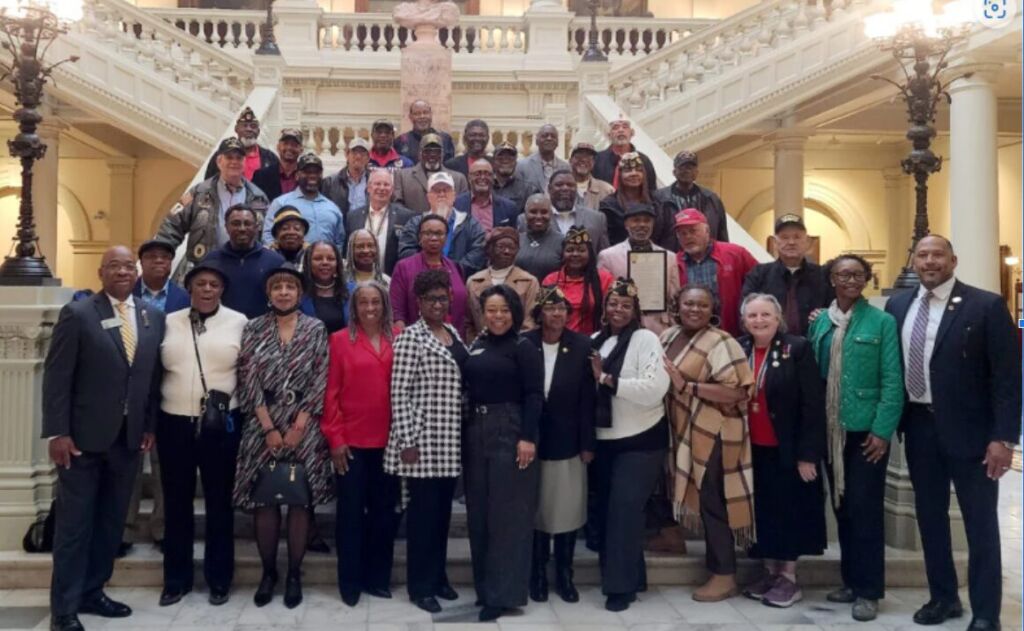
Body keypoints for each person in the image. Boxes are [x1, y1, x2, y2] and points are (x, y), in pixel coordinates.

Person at [885, 235, 1021, 631]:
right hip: (919, 428)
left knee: (980, 525)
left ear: (953, 260)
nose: (930, 261)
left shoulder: (986, 305)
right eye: (923, 255)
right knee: (930, 519)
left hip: (974, 436)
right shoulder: (898, 305)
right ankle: (943, 598)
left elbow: (1008, 379)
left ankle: (985, 612)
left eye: (938, 255)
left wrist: (1004, 439)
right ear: (913, 260)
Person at [43, 246, 166, 631]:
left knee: (111, 523)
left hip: (127, 441)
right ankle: (64, 608)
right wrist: (58, 432)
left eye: (129, 266)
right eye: (115, 265)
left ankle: (93, 591)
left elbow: (148, 380)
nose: (123, 271)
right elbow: (57, 377)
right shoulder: (78, 314)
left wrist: (147, 425)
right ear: (101, 272)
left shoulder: (152, 317)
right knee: (74, 527)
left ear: (138, 272)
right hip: (81, 440)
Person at [807, 254, 903, 622]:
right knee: (843, 508)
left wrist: (882, 430)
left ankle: (869, 590)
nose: (849, 279)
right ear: (831, 278)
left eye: (857, 274)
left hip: (866, 432)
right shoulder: (821, 323)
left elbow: (892, 380)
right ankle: (850, 580)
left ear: (867, 279)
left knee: (865, 511)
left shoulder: (882, 321)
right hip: (831, 433)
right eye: (842, 274)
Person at [233, 265, 334, 610]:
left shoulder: (315, 329)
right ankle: (268, 572)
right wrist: (269, 427)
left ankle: (294, 572)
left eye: (291, 286)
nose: (284, 292)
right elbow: (246, 377)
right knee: (265, 500)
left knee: (299, 500)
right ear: (268, 293)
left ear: (300, 293)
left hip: (303, 428)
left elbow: (321, 377)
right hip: (262, 426)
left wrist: (299, 426)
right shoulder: (253, 328)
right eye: (277, 287)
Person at [156, 261, 247, 608]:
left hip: (221, 425)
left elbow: (248, 372)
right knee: (177, 504)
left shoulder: (239, 322)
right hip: (174, 422)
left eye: (213, 285)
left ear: (222, 290)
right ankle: (176, 580)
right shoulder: (169, 321)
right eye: (200, 284)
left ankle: (219, 578)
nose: (207, 290)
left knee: (219, 504)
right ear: (189, 288)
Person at [662, 285, 754, 603]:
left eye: (702, 304)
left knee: (714, 502)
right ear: (678, 305)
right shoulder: (670, 336)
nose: (695, 309)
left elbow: (738, 392)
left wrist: (688, 386)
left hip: (714, 430)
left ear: (712, 308)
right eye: (689, 303)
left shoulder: (722, 340)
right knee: (703, 501)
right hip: (684, 429)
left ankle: (725, 574)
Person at [736, 293, 826, 608]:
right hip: (750, 450)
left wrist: (808, 455)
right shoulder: (740, 348)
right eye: (752, 316)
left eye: (765, 315)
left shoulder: (796, 348)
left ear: (778, 319)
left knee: (789, 511)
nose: (759, 321)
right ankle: (769, 572)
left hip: (787, 449)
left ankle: (789, 577)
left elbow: (813, 405)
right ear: (744, 320)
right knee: (763, 512)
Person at [385, 269, 466, 613]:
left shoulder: (452, 333)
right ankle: (421, 586)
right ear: (418, 303)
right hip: (422, 443)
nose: (438, 303)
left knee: (442, 517)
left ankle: (438, 577)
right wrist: (406, 439)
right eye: (431, 298)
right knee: (422, 519)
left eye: (443, 297)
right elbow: (398, 392)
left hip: (450, 442)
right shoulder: (410, 338)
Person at [462, 285, 544, 621]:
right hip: (475, 431)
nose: (497, 316)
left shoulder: (523, 348)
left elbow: (536, 395)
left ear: (515, 312)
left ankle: (504, 594)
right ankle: (485, 588)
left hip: (510, 429)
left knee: (507, 515)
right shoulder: (478, 345)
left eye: (504, 310)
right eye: (491, 310)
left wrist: (527, 437)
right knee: (479, 512)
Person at [589, 277, 670, 612]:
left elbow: (654, 388)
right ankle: (631, 575)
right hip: (604, 439)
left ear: (636, 310)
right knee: (610, 513)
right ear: (604, 308)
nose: (618, 310)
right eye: (613, 304)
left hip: (641, 438)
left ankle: (619, 589)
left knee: (624, 511)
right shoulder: (596, 340)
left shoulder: (646, 339)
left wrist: (607, 379)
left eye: (625, 305)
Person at [322, 281, 402, 607]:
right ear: (353, 308)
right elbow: (330, 395)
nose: (369, 308)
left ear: (384, 305)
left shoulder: (399, 339)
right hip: (351, 444)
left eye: (375, 302)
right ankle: (350, 580)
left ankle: (378, 578)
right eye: (363, 303)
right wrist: (336, 440)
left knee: (384, 514)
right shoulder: (340, 341)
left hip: (390, 443)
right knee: (351, 515)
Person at [523, 286, 595, 605]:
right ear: (540, 313)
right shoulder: (525, 343)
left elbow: (587, 401)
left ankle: (565, 573)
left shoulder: (581, 346)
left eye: (562, 310)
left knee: (566, 510)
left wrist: (587, 443)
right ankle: (537, 573)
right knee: (538, 511)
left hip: (569, 441)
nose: (557, 315)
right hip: (533, 440)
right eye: (551, 309)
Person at [157, 137, 270, 282]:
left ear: (244, 162)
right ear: (219, 161)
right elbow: (171, 225)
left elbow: (267, 235)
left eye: (239, 158)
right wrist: (159, 256)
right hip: (205, 269)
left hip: (245, 270)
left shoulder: (258, 197)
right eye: (229, 157)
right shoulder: (198, 193)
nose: (234, 162)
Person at [597, 202, 680, 335]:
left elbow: (674, 298)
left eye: (647, 221)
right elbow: (604, 298)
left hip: (660, 328)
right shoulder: (608, 256)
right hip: (622, 328)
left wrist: (673, 329)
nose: (642, 225)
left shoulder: (670, 257)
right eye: (636, 220)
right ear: (626, 224)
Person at [741, 214, 830, 336]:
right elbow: (745, 311)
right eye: (784, 237)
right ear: (775, 242)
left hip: (813, 347)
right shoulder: (759, 274)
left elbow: (835, 312)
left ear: (807, 242)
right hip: (770, 346)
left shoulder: (823, 275)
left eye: (797, 237)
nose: (791, 242)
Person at [674, 208, 757, 337]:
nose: (688, 237)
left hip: (733, 332)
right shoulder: (674, 263)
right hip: (692, 336)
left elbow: (761, 283)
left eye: (693, 231)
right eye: (682, 233)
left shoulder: (736, 254)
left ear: (707, 231)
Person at [202, 204, 286, 319]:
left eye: (247, 223)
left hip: (264, 332)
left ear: (256, 227)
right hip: (222, 330)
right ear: (226, 227)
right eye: (236, 224)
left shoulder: (275, 262)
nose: (242, 228)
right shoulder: (211, 261)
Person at [391, 214, 469, 334]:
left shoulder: (456, 268)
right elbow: (397, 312)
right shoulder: (404, 267)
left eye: (439, 233)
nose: (433, 238)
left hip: (454, 339)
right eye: (427, 233)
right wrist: (404, 339)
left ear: (446, 238)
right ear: (419, 237)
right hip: (417, 342)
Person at [398, 171, 487, 278]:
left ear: (454, 196)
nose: (441, 194)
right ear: (428, 197)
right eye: (436, 191)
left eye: (446, 190)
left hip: (459, 282)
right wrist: (429, 270)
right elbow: (406, 252)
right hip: (422, 283)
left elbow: (479, 252)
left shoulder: (470, 223)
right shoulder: (415, 223)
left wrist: (453, 272)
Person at [465, 227, 540, 341]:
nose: (507, 251)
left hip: (516, 348)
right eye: (501, 247)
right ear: (490, 249)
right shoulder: (474, 281)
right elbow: (469, 323)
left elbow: (529, 323)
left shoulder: (529, 281)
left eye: (512, 248)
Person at [263, 153, 346, 251]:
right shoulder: (281, 203)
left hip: (324, 264)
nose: (312, 176)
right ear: (297, 175)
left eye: (316, 172)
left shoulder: (332, 208)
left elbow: (339, 241)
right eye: (307, 172)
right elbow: (267, 236)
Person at [542, 226, 614, 336]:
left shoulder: (604, 278)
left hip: (593, 341)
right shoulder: (551, 280)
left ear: (590, 253)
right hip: (557, 340)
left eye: (581, 250)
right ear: (563, 254)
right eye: (570, 250)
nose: (575, 254)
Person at [345, 169, 416, 276]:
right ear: (368, 188)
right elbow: (347, 250)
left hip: (392, 279)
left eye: (386, 185)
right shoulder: (353, 216)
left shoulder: (405, 217)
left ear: (392, 190)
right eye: (377, 184)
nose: (382, 188)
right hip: (359, 280)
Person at [655, 150, 729, 242]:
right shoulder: (659, 198)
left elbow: (721, 233)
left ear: (696, 173)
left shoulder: (711, 199)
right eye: (682, 167)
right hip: (672, 254)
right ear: (674, 172)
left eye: (690, 167)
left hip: (706, 254)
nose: (687, 171)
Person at [394, 133, 468, 213]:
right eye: (427, 151)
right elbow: (397, 205)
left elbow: (463, 207)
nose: (432, 155)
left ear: (442, 154)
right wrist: (416, 220)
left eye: (437, 151)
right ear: (420, 153)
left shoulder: (458, 179)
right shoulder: (402, 176)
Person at [204, 107, 279, 180]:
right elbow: (208, 183)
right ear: (236, 129)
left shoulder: (270, 158)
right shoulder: (221, 155)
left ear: (258, 131)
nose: (249, 129)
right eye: (244, 125)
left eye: (253, 126)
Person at [546, 170, 609, 251]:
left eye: (570, 185)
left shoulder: (597, 219)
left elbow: (603, 256)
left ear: (576, 189)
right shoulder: (532, 219)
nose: (565, 188)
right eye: (559, 185)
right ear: (549, 189)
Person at [592, 118, 656, 192]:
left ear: (632, 133)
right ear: (609, 135)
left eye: (625, 127)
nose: (620, 130)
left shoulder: (643, 160)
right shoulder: (597, 159)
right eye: (615, 128)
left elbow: (652, 190)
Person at [455, 159, 519, 232]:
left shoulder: (509, 208)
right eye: (477, 174)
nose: (482, 177)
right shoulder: (456, 204)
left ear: (493, 178)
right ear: (469, 177)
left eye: (487, 174)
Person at [299, 241, 348, 335]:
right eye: (318, 258)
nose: (325, 262)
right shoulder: (299, 292)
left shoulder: (351, 291)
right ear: (308, 262)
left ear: (338, 263)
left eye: (330, 259)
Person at [516, 194, 564, 281]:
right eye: (533, 212)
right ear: (525, 214)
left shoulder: (562, 242)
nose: (538, 216)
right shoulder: (516, 240)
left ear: (551, 214)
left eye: (544, 212)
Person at [133, 240, 190, 314]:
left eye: (165, 257)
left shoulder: (185, 298)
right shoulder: (128, 292)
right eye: (152, 256)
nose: (159, 260)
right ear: (141, 262)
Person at [395, 99, 457, 164]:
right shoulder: (401, 141)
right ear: (410, 117)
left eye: (425, 112)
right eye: (417, 114)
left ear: (431, 115)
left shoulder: (445, 139)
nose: (422, 116)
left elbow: (449, 166)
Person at [322, 137, 371, 217]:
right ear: (347, 155)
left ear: (368, 158)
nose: (358, 157)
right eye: (354, 152)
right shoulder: (330, 183)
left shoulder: (374, 182)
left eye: (362, 153)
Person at [252, 128, 303, 203]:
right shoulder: (261, 176)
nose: (289, 148)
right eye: (285, 144)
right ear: (278, 147)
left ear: (301, 150)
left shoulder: (306, 176)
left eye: (294, 145)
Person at [517, 124, 569, 193]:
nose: (549, 138)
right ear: (536, 141)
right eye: (545, 136)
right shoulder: (522, 166)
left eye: (553, 136)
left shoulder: (566, 168)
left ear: (557, 142)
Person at [492, 142, 543, 213]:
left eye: (510, 158)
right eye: (500, 158)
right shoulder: (486, 186)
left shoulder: (529, 189)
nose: (505, 160)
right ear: (493, 162)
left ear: (516, 162)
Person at [569, 142, 614, 210]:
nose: (584, 160)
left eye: (589, 157)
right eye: (579, 156)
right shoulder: (559, 187)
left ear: (593, 163)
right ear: (570, 161)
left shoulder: (607, 190)